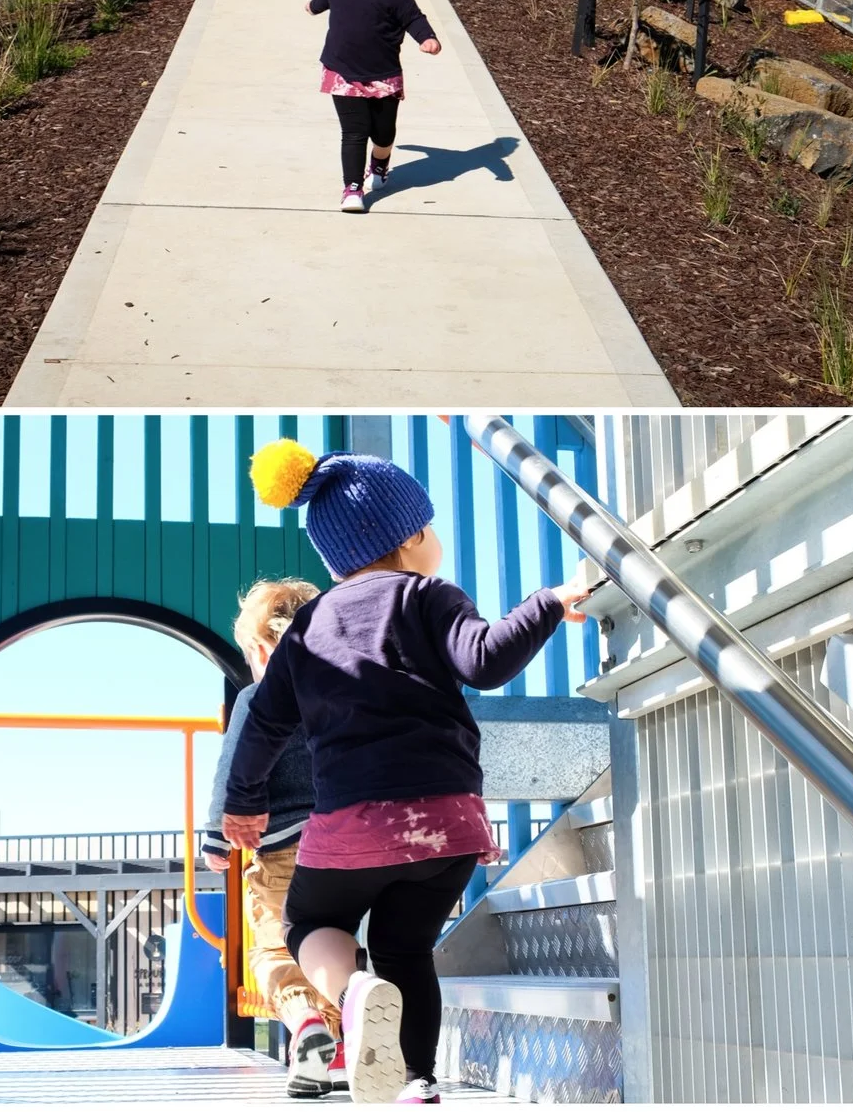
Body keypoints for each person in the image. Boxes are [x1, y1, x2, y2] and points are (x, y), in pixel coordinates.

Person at [221, 440, 589, 1104]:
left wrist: (244, 799)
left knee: (306, 925)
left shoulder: (307, 630)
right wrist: (547, 603)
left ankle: (353, 991)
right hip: (448, 828)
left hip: (354, 826)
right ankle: (416, 1081)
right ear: (411, 535)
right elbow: (484, 660)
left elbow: (263, 722)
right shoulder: (429, 596)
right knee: (407, 947)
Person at [199, 576, 343, 1098]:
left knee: (275, 953)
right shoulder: (347, 694)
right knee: (332, 943)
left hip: (283, 849)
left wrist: (215, 839)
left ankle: (306, 1025)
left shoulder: (258, 697)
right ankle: (339, 1032)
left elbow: (233, 770)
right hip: (349, 843)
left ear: (261, 651)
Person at [308, 0, 440, 213]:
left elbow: (413, 17)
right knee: (354, 132)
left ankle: (379, 165)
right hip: (342, 71)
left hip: (382, 75)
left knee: (382, 134)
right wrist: (313, 6)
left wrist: (427, 37)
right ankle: (352, 188)